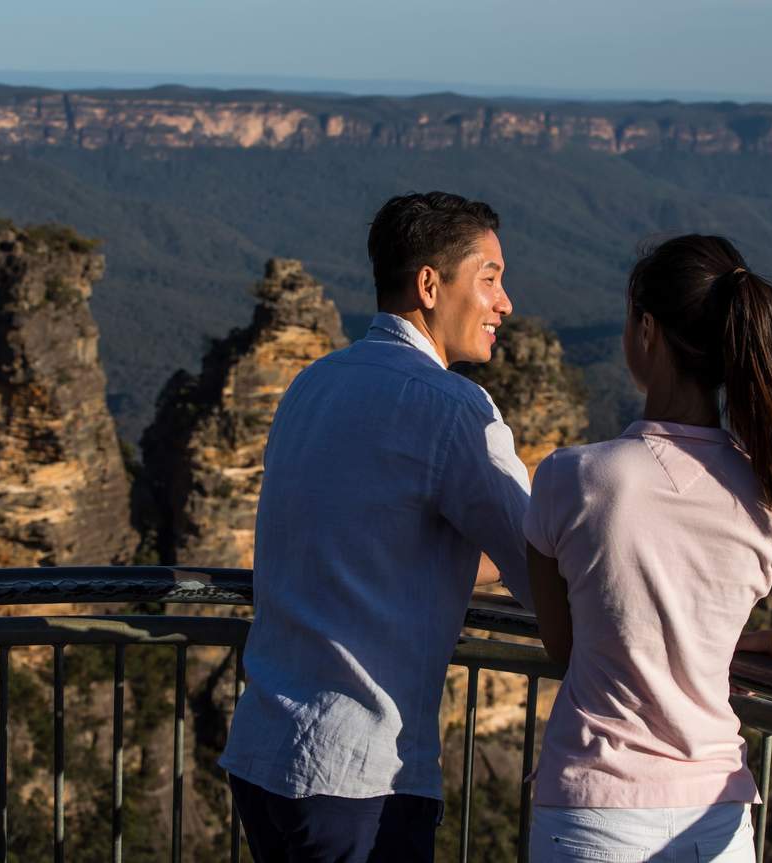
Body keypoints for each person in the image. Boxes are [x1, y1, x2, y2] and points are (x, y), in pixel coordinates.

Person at [523, 235, 772, 862]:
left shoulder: (569, 478)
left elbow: (564, 645)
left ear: (646, 329)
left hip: (591, 814)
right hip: (714, 824)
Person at [219, 191, 535, 861]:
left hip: (262, 751)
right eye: (489, 279)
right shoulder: (454, 408)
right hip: (358, 775)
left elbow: (369, 546)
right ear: (430, 285)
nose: (504, 302)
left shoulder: (312, 383)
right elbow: (542, 569)